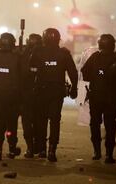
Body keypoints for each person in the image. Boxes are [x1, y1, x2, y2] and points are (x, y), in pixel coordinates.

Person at [30, 28, 78, 162]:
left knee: (41, 121)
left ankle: (42, 150)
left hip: (41, 91)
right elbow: (73, 72)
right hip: (57, 92)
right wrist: (74, 88)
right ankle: (52, 150)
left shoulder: (37, 52)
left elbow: (31, 69)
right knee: (55, 120)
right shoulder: (64, 53)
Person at [81, 34, 116, 164]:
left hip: (96, 97)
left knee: (95, 124)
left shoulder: (95, 57)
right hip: (112, 98)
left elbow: (84, 72)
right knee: (110, 125)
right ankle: (109, 154)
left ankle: (97, 152)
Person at [0, 33, 21, 161]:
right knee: (11, 124)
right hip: (13, 96)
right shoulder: (17, 58)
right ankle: (12, 148)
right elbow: (23, 76)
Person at [20, 34, 42, 158]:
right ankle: (38, 147)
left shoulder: (22, 54)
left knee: (27, 122)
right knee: (39, 122)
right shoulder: (44, 54)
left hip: (27, 94)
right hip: (38, 93)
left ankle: (30, 147)